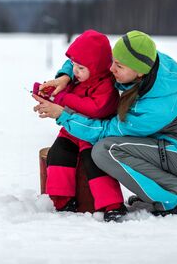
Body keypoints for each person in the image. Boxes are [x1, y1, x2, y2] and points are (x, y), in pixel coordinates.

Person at [34, 30, 177, 217]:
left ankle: (175, 196)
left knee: (105, 150)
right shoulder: (146, 63)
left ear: (138, 72)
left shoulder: (155, 108)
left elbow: (105, 131)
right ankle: (158, 192)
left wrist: (63, 115)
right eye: (113, 61)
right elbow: (91, 59)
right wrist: (65, 76)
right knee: (111, 148)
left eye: (119, 66)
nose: (111, 68)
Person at [36, 30, 126, 222]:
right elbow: (67, 82)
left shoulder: (106, 85)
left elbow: (96, 109)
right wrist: (50, 92)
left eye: (81, 68)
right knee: (58, 154)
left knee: (95, 163)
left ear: (98, 66)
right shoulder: (78, 78)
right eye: (74, 66)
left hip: (93, 134)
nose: (75, 71)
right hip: (70, 131)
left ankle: (112, 205)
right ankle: (62, 200)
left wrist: (62, 99)